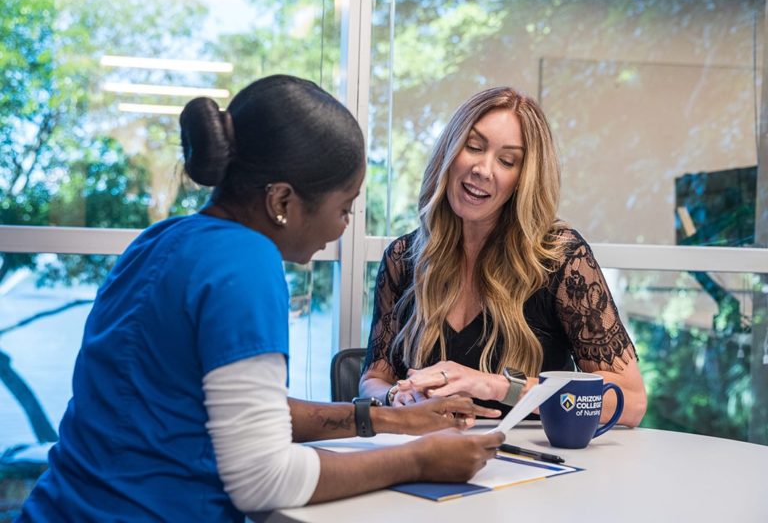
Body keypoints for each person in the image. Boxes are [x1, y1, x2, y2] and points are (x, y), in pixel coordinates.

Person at [17, 75, 504, 523]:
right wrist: (418, 459)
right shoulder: (245, 263)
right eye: (344, 207)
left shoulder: (159, 240)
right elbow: (261, 481)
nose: (344, 226)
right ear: (282, 202)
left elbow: (235, 407)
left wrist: (386, 419)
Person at [359, 86, 647, 427]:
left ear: (522, 180)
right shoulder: (403, 258)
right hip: (429, 459)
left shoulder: (560, 258)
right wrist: (399, 397)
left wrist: (496, 386)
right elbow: (373, 381)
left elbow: (630, 402)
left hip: (535, 469)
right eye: (474, 146)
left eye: (507, 161)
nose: (483, 169)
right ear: (450, 152)